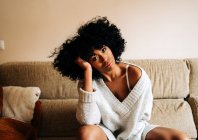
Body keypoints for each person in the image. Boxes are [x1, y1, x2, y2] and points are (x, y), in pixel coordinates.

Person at [51, 16, 189, 140]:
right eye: (94, 58)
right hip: (106, 134)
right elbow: (88, 121)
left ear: (111, 46)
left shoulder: (137, 76)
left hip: (138, 132)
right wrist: (87, 71)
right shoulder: (89, 82)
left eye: (104, 50)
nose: (104, 59)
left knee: (181, 138)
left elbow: (140, 119)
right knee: (85, 133)